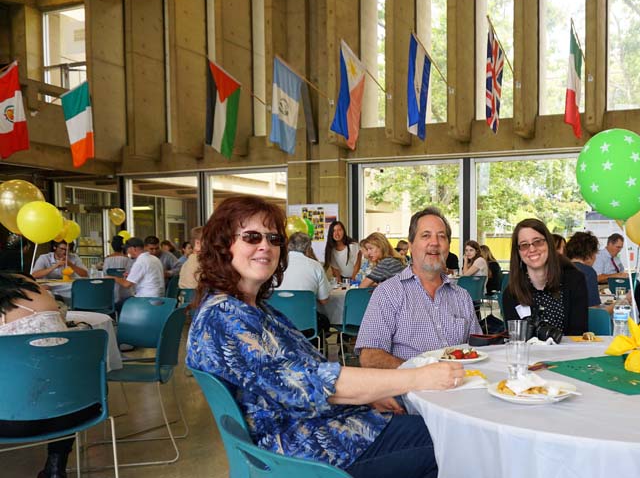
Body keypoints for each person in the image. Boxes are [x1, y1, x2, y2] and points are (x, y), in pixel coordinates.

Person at [186, 196, 463, 478]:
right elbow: (311, 382)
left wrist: (367, 398)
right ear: (223, 245)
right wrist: (418, 377)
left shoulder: (256, 310)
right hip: (307, 452)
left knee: (444, 431)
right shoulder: (224, 317)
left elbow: (313, 369)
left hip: (324, 431)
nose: (265, 247)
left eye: (273, 238)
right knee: (455, 442)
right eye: (252, 237)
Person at [356, 207, 482, 369]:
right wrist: (420, 374)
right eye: (425, 236)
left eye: (441, 236)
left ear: (448, 246)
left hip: (461, 386)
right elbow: (370, 357)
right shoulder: (388, 293)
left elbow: (478, 349)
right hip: (409, 390)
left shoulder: (462, 296)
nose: (435, 243)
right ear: (411, 244)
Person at [0, 272, 99, 478]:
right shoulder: (40, 292)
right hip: (76, 410)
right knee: (61, 384)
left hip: (11, 422)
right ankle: (55, 467)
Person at [503, 218, 588, 336]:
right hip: (529, 354)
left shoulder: (574, 280)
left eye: (537, 242)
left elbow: (577, 333)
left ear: (549, 244)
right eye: (524, 245)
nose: (532, 249)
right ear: (518, 252)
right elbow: (516, 338)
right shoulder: (511, 293)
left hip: (569, 353)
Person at [565, 231, 602, 307]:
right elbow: (593, 310)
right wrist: (620, 303)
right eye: (595, 253)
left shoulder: (558, 268)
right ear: (590, 254)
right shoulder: (588, 272)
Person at [103, 235, 133, 303]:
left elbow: (105, 274)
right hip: (125, 292)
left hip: (111, 291)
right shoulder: (127, 260)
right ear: (123, 247)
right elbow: (130, 274)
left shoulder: (107, 260)